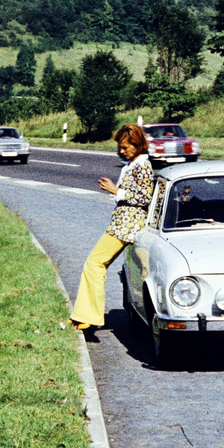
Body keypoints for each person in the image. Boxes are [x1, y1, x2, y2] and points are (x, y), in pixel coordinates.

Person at [70, 123, 155, 330]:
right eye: (119, 147)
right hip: (124, 223)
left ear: (138, 145)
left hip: (127, 224)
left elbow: (145, 197)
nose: (121, 151)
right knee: (100, 264)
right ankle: (87, 316)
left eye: (125, 147)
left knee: (95, 263)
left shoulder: (142, 165)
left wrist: (116, 191)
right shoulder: (134, 164)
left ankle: (88, 317)